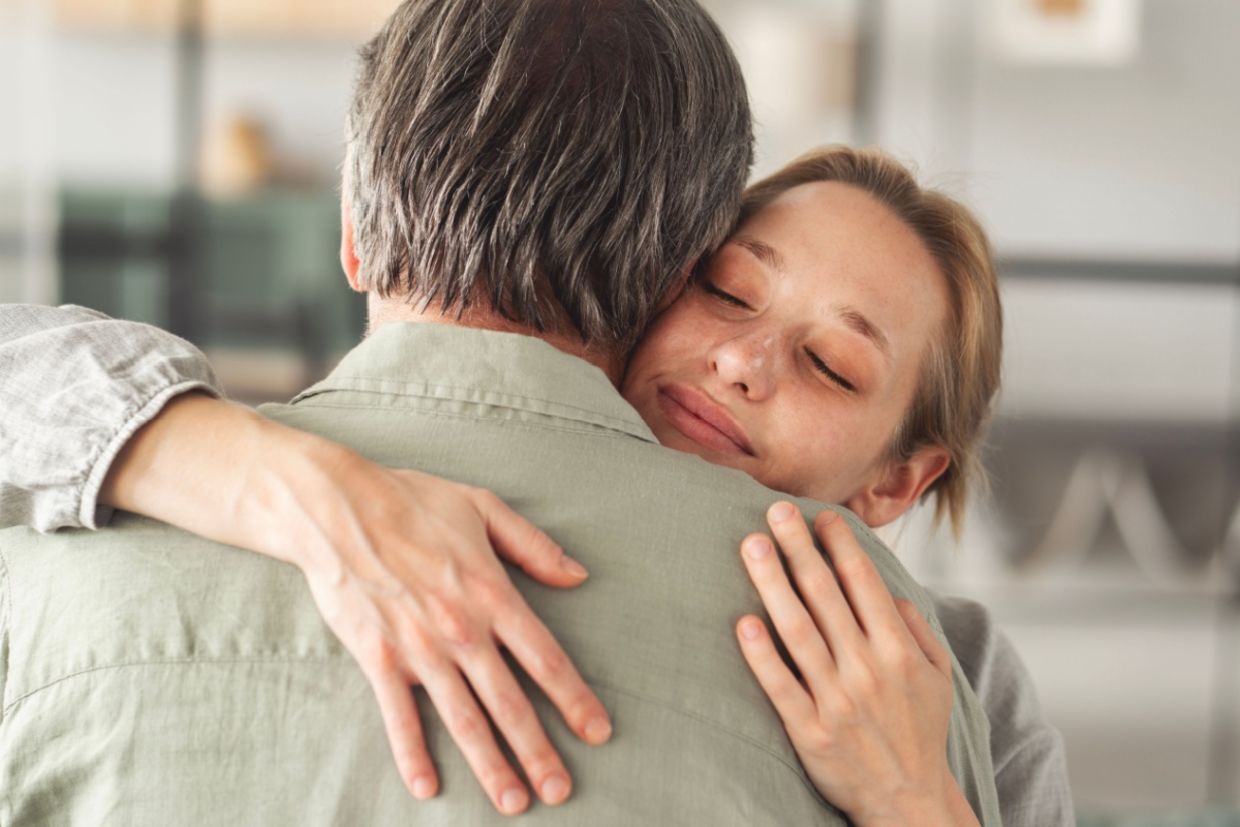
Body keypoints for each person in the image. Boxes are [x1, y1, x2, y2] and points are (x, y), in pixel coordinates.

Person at [0, 2, 1009, 824]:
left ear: (351, 229)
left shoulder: (50, 569)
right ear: (667, 277)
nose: (740, 362)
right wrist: (285, 481)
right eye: (731, 292)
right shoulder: (911, 649)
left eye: (831, 364)